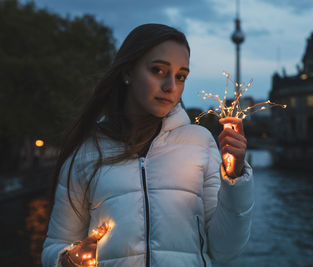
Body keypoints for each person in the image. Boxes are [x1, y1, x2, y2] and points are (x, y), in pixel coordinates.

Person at [42, 23, 254, 267]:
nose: (171, 87)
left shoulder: (200, 142)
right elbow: (54, 246)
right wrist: (70, 258)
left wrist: (235, 177)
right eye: (158, 70)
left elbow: (225, 250)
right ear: (128, 72)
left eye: (180, 76)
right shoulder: (87, 153)